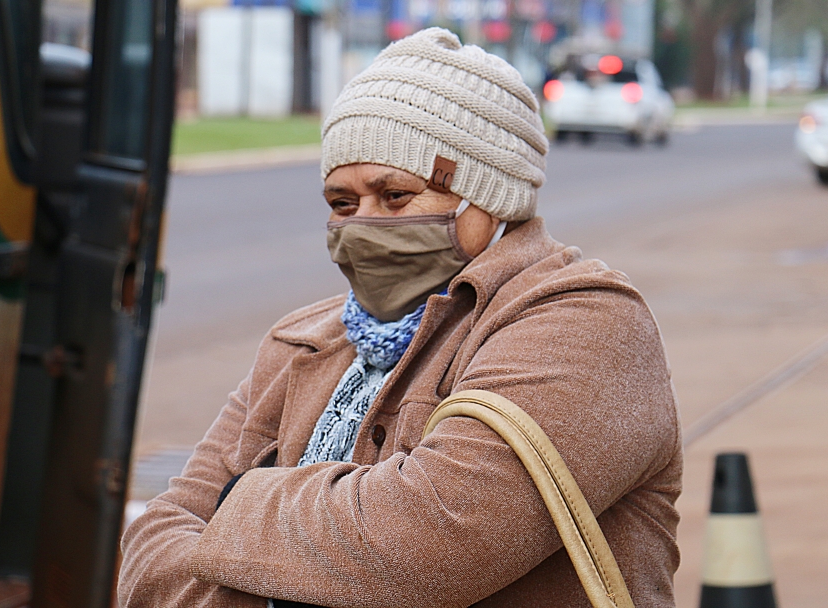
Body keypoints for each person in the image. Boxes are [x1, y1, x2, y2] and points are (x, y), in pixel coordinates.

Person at [119, 28, 681, 608]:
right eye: (343, 203)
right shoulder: (299, 344)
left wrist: (237, 506)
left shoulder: (584, 324)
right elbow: (150, 551)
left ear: (488, 199)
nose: (363, 223)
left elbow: (427, 546)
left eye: (395, 196)